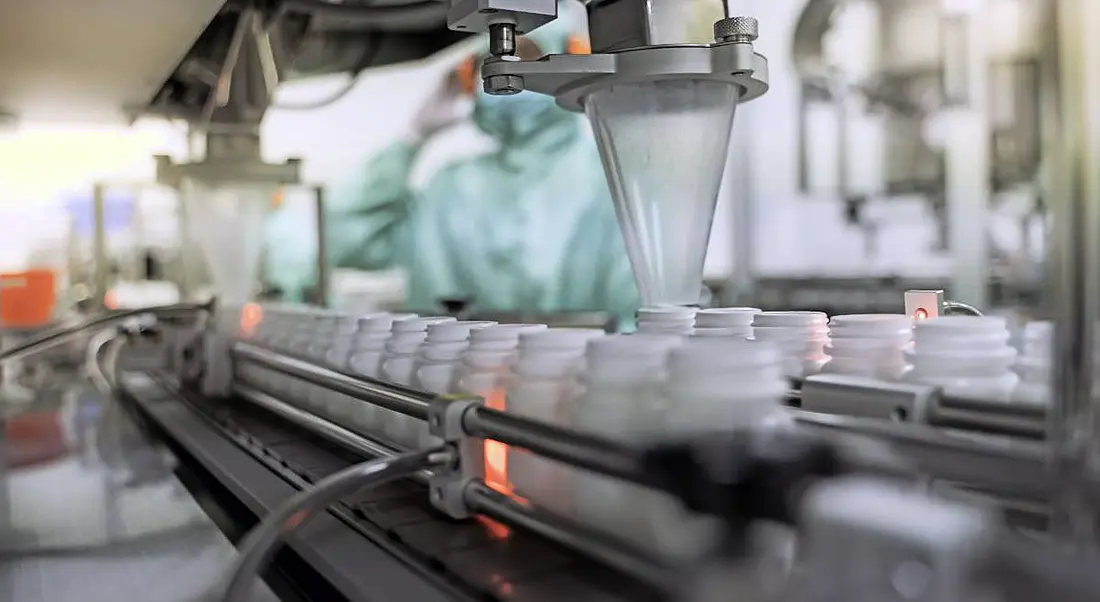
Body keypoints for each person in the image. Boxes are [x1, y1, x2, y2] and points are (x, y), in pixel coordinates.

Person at [265, 0, 639, 319]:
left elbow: (639, 316)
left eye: (526, 55)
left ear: (568, 61)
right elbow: (342, 236)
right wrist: (411, 138)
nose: (507, 75)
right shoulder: (449, 191)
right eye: (489, 63)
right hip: (452, 386)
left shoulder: (609, 178)